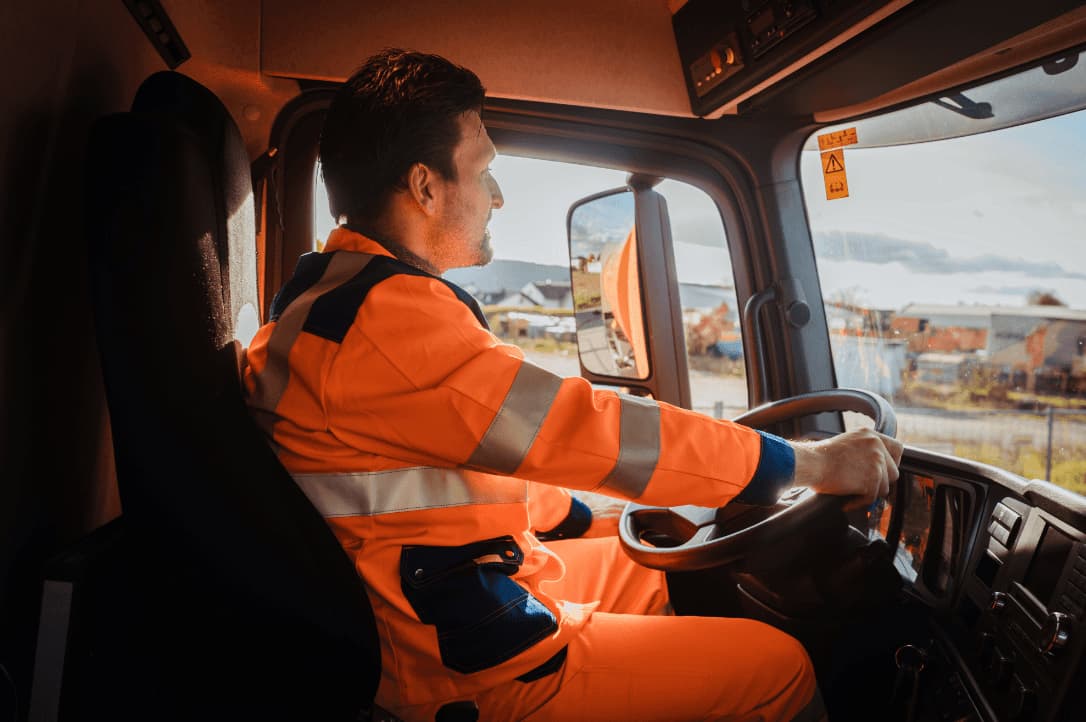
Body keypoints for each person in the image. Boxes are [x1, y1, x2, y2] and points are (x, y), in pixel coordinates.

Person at [244, 48, 903, 722]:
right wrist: (810, 463)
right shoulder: (389, 323)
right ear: (425, 187)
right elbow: (589, 429)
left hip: (433, 597)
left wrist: (590, 519)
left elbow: (464, 462)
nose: (497, 196)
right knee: (779, 667)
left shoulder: (328, 303)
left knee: (660, 563)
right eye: (485, 171)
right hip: (459, 664)